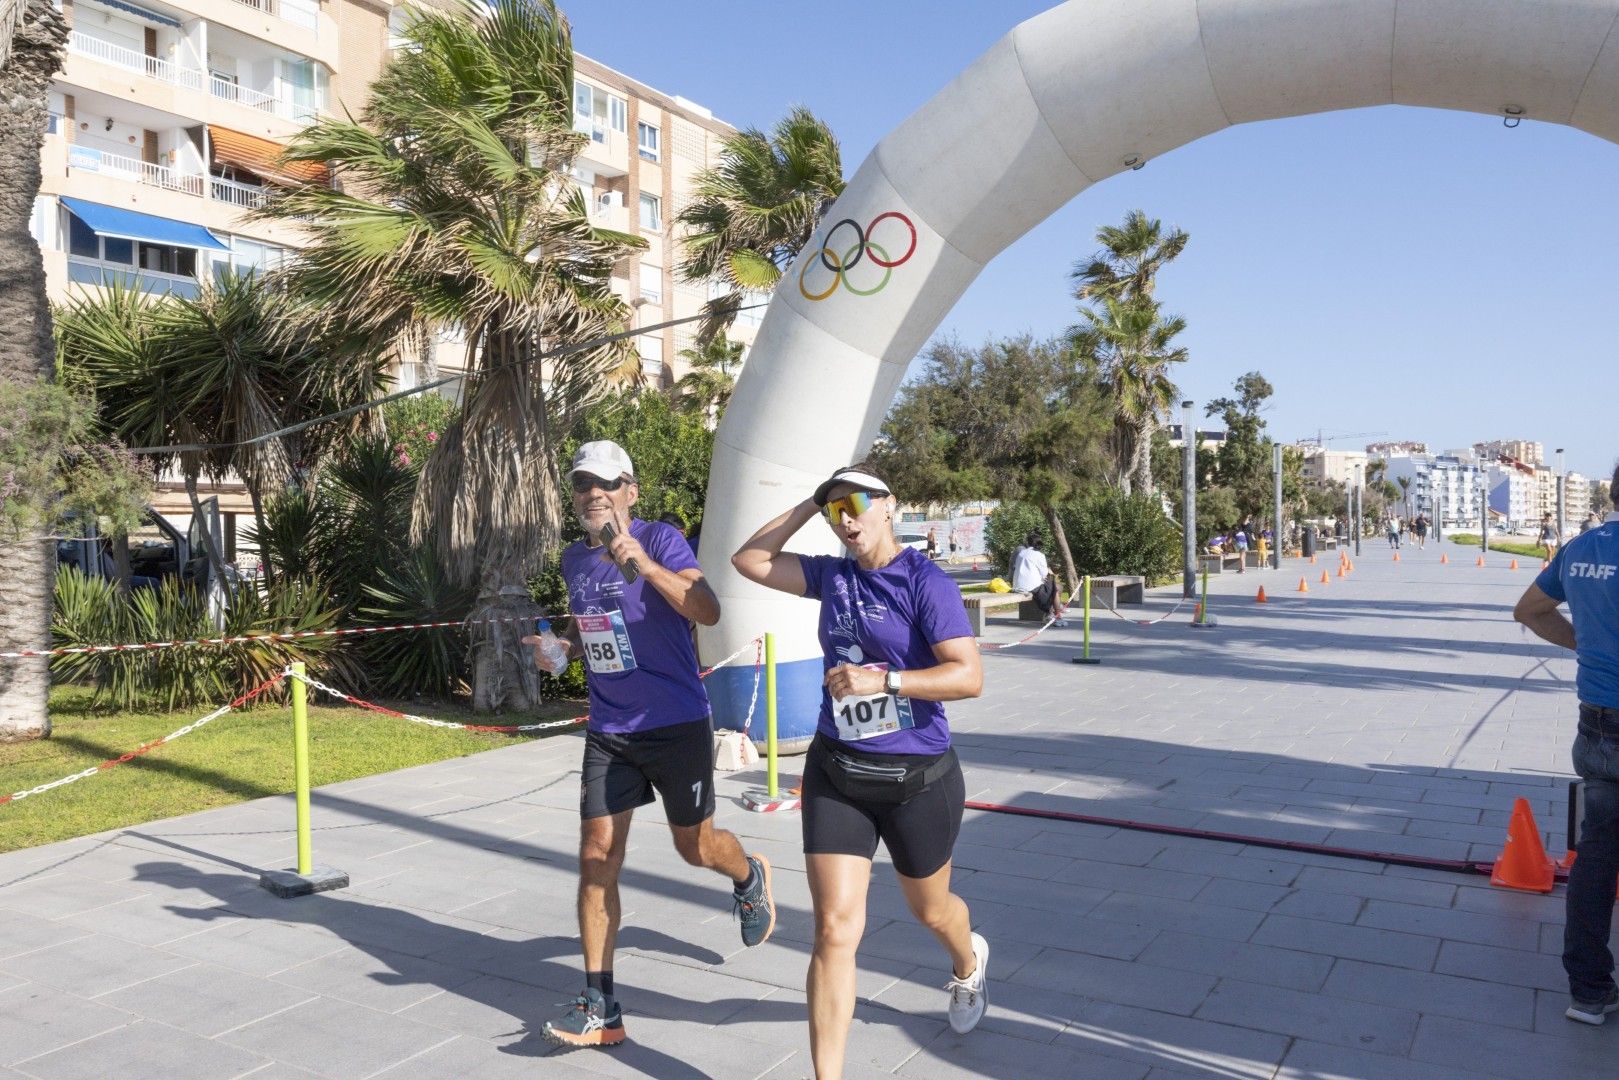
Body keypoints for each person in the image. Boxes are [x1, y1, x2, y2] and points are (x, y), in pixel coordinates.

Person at [731, 462, 989, 1078]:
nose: (846, 518)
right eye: (835, 510)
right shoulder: (833, 576)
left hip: (916, 781)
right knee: (835, 930)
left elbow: (969, 676)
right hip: (838, 774)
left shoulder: (925, 583)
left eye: (856, 504)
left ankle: (968, 964)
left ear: (890, 506)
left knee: (932, 911)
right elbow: (750, 560)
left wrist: (886, 679)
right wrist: (808, 503)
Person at [525, 440, 775, 1048]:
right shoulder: (573, 561)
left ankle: (748, 876)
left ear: (630, 491)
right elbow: (595, 628)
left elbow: (707, 611)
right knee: (595, 855)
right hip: (610, 731)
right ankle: (601, 1007)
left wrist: (642, 561)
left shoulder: (660, 539)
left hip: (676, 723)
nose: (594, 494)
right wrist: (563, 650)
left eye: (607, 484)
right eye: (583, 483)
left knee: (697, 848)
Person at [1514, 465, 1619, 1026]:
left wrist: (1587, 643)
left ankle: (1588, 992)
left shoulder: (1581, 547)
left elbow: (1528, 610)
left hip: (1598, 722)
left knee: (1596, 859)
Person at [1009, 531, 1068, 627]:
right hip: (1031, 587)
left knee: (1054, 587)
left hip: (1018, 586)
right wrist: (1042, 578)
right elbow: (1044, 573)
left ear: (1028, 543)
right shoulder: (1039, 555)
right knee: (1056, 587)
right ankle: (1056, 616)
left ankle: (1051, 613)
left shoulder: (1021, 553)